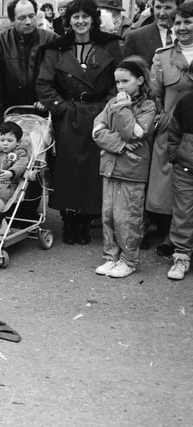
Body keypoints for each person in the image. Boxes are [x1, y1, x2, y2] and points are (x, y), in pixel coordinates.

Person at [37, 0, 123, 245]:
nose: (81, 21)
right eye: (76, 17)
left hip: (99, 116)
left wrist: (107, 108)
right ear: (69, 20)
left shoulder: (109, 44)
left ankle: (85, 222)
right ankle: (69, 221)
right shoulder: (57, 48)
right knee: (67, 170)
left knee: (91, 171)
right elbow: (44, 84)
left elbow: (119, 79)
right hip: (69, 116)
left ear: (93, 19)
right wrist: (61, 107)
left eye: (86, 16)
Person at [0, 0, 56, 225]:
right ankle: (3, 208)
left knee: (34, 161)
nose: (28, 21)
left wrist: (48, 99)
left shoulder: (49, 39)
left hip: (41, 114)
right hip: (11, 113)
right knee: (7, 160)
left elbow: (59, 73)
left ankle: (26, 210)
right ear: (12, 20)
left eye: (31, 16)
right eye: (22, 17)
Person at [92, 56, 156, 278]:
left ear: (139, 80)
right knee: (108, 215)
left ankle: (129, 259)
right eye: (117, 82)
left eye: (125, 81)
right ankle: (111, 257)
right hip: (110, 166)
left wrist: (124, 109)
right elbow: (97, 131)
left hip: (133, 169)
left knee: (127, 217)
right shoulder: (112, 102)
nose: (120, 87)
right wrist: (120, 145)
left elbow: (136, 132)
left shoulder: (148, 105)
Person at [146, 1, 193, 258]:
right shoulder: (163, 56)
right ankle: (170, 237)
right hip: (172, 133)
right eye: (178, 23)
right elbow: (155, 94)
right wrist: (162, 115)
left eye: (188, 21)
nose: (182, 27)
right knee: (167, 190)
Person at [165, 90, 193, 280]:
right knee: (183, 214)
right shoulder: (186, 101)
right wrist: (175, 156)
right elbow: (174, 132)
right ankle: (182, 257)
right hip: (185, 168)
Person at [123, 0, 181, 67]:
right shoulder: (136, 37)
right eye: (158, 7)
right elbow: (126, 72)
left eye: (167, 8)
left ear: (178, 9)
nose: (162, 13)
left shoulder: (188, 35)